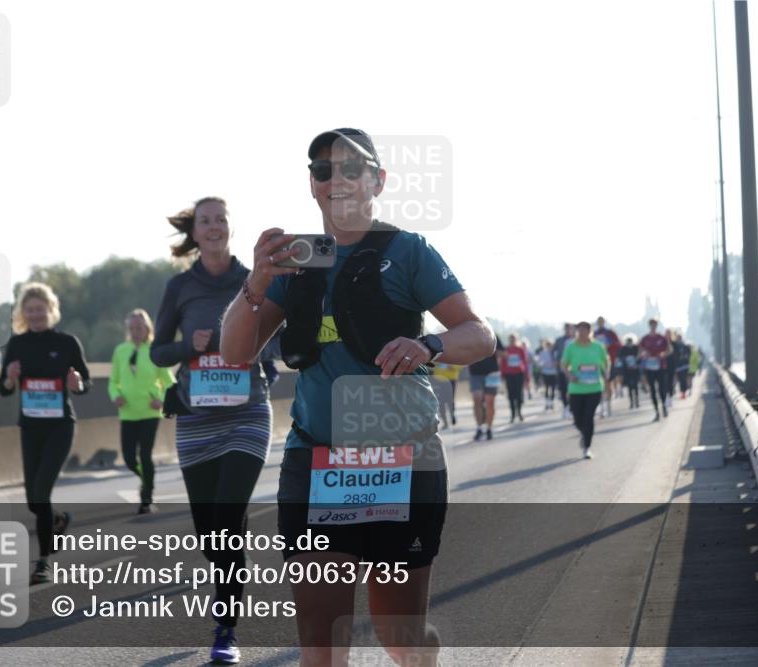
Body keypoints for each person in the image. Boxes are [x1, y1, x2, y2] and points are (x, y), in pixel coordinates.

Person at [219, 127, 494, 667]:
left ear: (378, 180)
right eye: (323, 171)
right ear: (312, 186)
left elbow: (479, 336)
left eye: (351, 168)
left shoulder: (407, 250)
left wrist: (427, 344)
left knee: (400, 637)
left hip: (403, 460)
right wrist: (256, 280)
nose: (336, 180)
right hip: (317, 460)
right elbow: (235, 355)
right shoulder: (298, 259)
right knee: (321, 650)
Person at [151, 197, 273, 664]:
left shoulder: (254, 279)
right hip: (197, 420)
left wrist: (254, 345)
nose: (215, 226)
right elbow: (158, 352)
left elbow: (278, 338)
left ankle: (226, 630)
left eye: (221, 218)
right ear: (196, 233)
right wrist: (189, 345)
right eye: (206, 220)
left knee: (225, 522)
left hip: (247, 413)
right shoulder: (180, 286)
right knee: (211, 534)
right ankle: (230, 532)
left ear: (229, 227)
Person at [0, 283, 90, 584]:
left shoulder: (67, 343)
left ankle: (43, 562)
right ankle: (59, 520)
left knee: (41, 493)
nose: (36, 314)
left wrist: (76, 383)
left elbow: (85, 383)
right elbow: (2, 388)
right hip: (30, 426)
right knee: (34, 502)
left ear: (51, 310)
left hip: (60, 425)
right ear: (23, 313)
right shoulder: (17, 344)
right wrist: (10, 379)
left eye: (41, 309)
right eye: (30, 309)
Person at [108, 308, 175, 514]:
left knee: (145, 455)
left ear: (147, 328)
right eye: (132, 328)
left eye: (139, 327)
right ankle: (145, 478)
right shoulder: (120, 351)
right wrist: (115, 396)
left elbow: (169, 381)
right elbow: (113, 381)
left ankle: (147, 495)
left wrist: (161, 400)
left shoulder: (155, 350)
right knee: (129, 458)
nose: (135, 331)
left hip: (149, 412)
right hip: (128, 413)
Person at [561, 321, 609, 459]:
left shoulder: (598, 347)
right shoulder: (571, 347)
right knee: (577, 419)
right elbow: (564, 365)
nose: (581, 332)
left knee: (589, 418)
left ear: (589, 331)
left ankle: (587, 448)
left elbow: (606, 362)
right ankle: (584, 433)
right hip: (576, 389)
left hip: (594, 388)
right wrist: (570, 375)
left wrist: (606, 372)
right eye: (579, 330)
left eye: (584, 329)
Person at [469, 336, 503, 440]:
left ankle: (489, 428)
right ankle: (479, 428)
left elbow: (504, 354)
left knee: (489, 401)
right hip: (475, 373)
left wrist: (491, 349)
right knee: (477, 398)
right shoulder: (470, 335)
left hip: (492, 373)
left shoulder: (493, 336)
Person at [638, 318, 672, 421]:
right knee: (652, 390)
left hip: (661, 366)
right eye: (651, 324)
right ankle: (657, 411)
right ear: (649, 326)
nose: (653, 326)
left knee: (662, 389)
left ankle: (664, 407)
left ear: (656, 326)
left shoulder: (662, 338)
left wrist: (663, 354)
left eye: (654, 324)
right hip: (650, 367)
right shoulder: (644, 339)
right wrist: (644, 354)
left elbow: (669, 350)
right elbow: (639, 352)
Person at [592, 317, 622, 418]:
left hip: (609, 361)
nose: (600, 323)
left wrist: (609, 346)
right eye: (598, 322)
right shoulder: (594, 333)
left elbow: (618, 344)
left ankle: (608, 405)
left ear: (604, 322)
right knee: (599, 385)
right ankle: (602, 408)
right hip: (596, 363)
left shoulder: (610, 333)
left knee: (608, 384)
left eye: (601, 321)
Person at [499, 333, 528, 422]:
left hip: (519, 374)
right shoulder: (506, 350)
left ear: (516, 339)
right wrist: (502, 374)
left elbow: (525, 362)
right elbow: (503, 362)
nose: (512, 340)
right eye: (511, 339)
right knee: (511, 395)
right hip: (509, 375)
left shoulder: (520, 349)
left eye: (514, 339)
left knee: (519, 394)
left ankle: (519, 411)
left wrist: (526, 375)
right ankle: (512, 414)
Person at [552, 323, 575, 419]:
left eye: (569, 329)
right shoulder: (559, 340)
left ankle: (572, 407)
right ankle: (566, 406)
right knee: (563, 389)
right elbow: (554, 352)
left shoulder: (575, 340)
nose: (568, 330)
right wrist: (555, 360)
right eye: (566, 329)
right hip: (562, 368)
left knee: (572, 389)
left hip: (574, 368)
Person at [432, 360, 462, 429]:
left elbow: (461, 362)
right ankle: (445, 422)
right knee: (440, 401)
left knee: (450, 399)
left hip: (451, 378)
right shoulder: (436, 349)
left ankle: (452, 415)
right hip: (438, 379)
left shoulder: (454, 350)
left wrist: (454, 367)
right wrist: (435, 363)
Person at [618, 335, 642, 409]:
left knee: (635, 386)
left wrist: (636, 364)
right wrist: (626, 363)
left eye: (630, 341)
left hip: (635, 370)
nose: (629, 343)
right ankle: (631, 403)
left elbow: (640, 358)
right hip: (627, 371)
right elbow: (620, 358)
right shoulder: (623, 349)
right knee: (629, 387)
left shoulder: (636, 348)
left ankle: (637, 402)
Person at [536, 339, 559, 411]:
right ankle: (547, 403)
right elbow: (539, 363)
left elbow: (558, 362)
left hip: (553, 373)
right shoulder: (542, 353)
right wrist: (544, 365)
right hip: (545, 373)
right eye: (547, 345)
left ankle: (551, 403)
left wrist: (554, 363)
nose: (549, 347)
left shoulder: (555, 353)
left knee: (552, 388)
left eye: (550, 345)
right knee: (546, 388)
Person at [672, 332, 692, 398]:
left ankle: (684, 392)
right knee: (681, 380)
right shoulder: (674, 347)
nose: (678, 339)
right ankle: (682, 392)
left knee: (684, 379)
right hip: (678, 366)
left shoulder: (685, 346)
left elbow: (689, 354)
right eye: (678, 338)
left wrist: (686, 356)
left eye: (679, 338)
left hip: (685, 365)